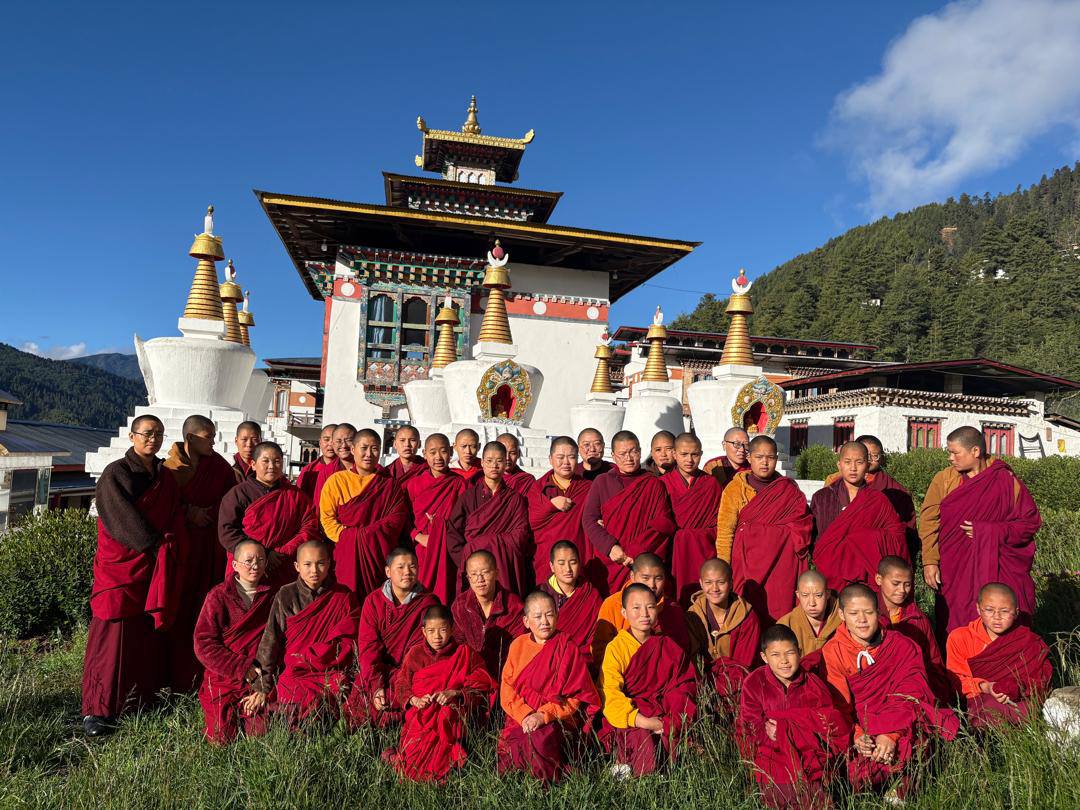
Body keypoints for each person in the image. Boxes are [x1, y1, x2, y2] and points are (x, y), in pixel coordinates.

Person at [81, 415, 185, 737]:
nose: (152, 439)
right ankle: (98, 709)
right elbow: (119, 519)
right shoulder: (116, 473)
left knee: (144, 636)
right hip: (122, 567)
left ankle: (139, 700)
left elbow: (173, 512)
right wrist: (153, 545)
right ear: (132, 436)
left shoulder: (164, 477)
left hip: (151, 566)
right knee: (111, 637)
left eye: (158, 434)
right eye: (146, 433)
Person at [821, 584, 959, 799]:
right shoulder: (833, 651)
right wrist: (858, 736)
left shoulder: (902, 646)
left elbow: (913, 697)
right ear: (841, 614)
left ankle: (904, 788)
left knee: (923, 744)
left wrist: (891, 734)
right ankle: (889, 780)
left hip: (900, 724)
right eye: (854, 613)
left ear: (878, 612)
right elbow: (839, 706)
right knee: (856, 777)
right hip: (862, 727)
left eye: (868, 612)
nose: (862, 620)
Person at [919, 426, 1041, 634]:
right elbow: (929, 521)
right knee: (957, 624)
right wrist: (930, 561)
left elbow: (1029, 523)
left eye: (955, 452)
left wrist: (990, 531)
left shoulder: (1005, 480)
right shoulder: (945, 479)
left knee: (1006, 621)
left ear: (975, 452)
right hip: (956, 569)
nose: (950, 458)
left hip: (998, 565)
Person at [162, 413, 237, 691]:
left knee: (204, 603)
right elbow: (161, 505)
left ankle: (200, 670)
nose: (214, 443)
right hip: (179, 545)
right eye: (209, 437)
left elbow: (231, 501)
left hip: (209, 545)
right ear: (191, 438)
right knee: (177, 604)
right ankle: (170, 670)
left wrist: (209, 514)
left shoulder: (218, 467)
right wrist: (188, 513)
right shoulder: (170, 468)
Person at [249, 539, 360, 725]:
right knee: (285, 696)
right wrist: (262, 686)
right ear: (297, 566)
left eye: (320, 563)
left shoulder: (344, 596)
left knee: (338, 689)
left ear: (329, 564)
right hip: (295, 671)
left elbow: (351, 641)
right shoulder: (286, 594)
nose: (314, 570)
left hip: (330, 670)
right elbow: (271, 641)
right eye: (307, 564)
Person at [736, 625, 847, 809]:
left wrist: (786, 727)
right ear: (764, 657)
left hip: (808, 757)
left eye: (790, 653)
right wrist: (775, 738)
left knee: (816, 802)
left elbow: (830, 722)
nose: (784, 661)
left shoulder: (813, 685)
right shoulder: (755, 683)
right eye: (776, 655)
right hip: (772, 756)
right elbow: (749, 726)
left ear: (800, 652)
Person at [497, 591, 601, 784]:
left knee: (541, 738)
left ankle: (545, 783)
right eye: (538, 616)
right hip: (521, 717)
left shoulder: (567, 647)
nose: (544, 621)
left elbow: (575, 697)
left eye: (550, 614)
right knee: (518, 741)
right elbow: (507, 687)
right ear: (526, 621)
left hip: (556, 718)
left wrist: (543, 715)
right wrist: (525, 714)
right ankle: (524, 780)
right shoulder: (518, 645)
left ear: (557, 616)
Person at [384, 605, 495, 783]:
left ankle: (449, 763)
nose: (437, 636)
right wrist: (414, 700)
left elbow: (483, 686)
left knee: (448, 714)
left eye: (443, 630)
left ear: (452, 629)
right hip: (420, 716)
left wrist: (456, 693)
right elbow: (402, 683)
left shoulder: (463, 653)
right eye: (432, 631)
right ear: (423, 632)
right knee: (410, 764)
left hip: (451, 716)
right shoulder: (415, 654)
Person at [598, 583, 698, 778]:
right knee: (642, 738)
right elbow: (610, 693)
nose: (644, 613)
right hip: (633, 713)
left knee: (673, 739)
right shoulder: (616, 648)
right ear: (624, 612)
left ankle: (670, 775)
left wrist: (670, 720)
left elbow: (685, 684)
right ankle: (645, 780)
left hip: (664, 713)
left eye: (650, 607)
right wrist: (643, 721)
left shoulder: (667, 644)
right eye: (636, 608)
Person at [716, 435, 812, 624]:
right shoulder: (735, 489)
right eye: (759, 457)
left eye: (770, 457)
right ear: (749, 458)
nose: (765, 462)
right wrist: (723, 568)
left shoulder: (789, 490)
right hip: (745, 564)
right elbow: (725, 532)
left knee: (780, 613)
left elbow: (804, 524)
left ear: (776, 459)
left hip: (781, 566)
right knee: (747, 613)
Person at [193, 539, 274, 744]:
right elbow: (203, 644)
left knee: (260, 732)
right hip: (225, 676)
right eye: (248, 561)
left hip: (259, 674)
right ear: (235, 565)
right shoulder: (219, 596)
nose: (255, 565)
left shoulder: (273, 596)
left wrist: (263, 685)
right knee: (221, 737)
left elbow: (279, 641)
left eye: (260, 560)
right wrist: (240, 667)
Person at [347, 547, 439, 728]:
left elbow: (423, 649)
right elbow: (368, 648)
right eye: (401, 567)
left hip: (410, 672)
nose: (407, 572)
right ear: (388, 571)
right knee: (362, 700)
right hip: (378, 670)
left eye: (412, 567)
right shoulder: (373, 601)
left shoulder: (428, 603)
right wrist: (376, 686)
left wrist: (404, 677)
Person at [581, 430, 676, 594]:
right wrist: (610, 547)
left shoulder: (653, 484)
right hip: (611, 561)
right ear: (613, 456)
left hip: (642, 561)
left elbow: (663, 523)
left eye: (633, 452)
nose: (629, 458)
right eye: (623, 453)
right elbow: (589, 520)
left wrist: (635, 551)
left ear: (640, 452)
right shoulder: (602, 482)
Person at [945, 582, 1051, 728]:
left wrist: (1017, 687)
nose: (997, 617)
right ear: (978, 609)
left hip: (1017, 697)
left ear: (1016, 612)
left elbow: (1042, 678)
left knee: (1030, 711)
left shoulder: (1026, 640)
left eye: (1005, 611)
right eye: (989, 610)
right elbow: (956, 679)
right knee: (987, 712)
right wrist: (985, 687)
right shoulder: (960, 637)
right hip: (978, 697)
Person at [217, 441, 319, 590]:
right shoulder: (238, 494)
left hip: (283, 563)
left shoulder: (295, 495)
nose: (272, 466)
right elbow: (227, 532)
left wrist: (283, 551)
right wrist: (262, 555)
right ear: (253, 464)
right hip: (248, 566)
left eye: (277, 461)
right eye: (265, 461)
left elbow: (310, 525)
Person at [319, 428, 408, 596]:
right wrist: (351, 538)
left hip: (377, 553)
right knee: (345, 599)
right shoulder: (336, 481)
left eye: (374, 448)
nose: (369, 454)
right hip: (345, 551)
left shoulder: (389, 485)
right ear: (353, 450)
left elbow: (396, 519)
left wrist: (365, 536)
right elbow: (327, 520)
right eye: (364, 448)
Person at [811, 440, 907, 594]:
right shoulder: (822, 498)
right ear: (839, 465)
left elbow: (897, 537)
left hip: (866, 576)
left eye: (859, 462)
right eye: (847, 462)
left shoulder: (878, 501)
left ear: (868, 466)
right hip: (830, 576)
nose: (853, 468)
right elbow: (815, 539)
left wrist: (864, 539)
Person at [446, 441, 532, 597]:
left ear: (505, 463)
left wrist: (481, 543)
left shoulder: (515, 499)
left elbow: (521, 534)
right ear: (483, 463)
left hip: (504, 567)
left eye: (499, 461)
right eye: (490, 461)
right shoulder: (468, 497)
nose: (494, 466)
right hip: (474, 569)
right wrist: (466, 562)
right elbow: (453, 534)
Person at [825, 435, 918, 561]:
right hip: (838, 552)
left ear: (881, 458)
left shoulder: (895, 490)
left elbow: (903, 528)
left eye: (874, 456)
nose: (869, 460)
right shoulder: (834, 482)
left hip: (876, 554)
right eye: (865, 455)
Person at [592, 553, 690, 668]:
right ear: (632, 576)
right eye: (645, 578)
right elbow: (599, 650)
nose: (652, 585)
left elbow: (681, 652)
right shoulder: (613, 604)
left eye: (658, 578)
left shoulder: (672, 609)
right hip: (621, 672)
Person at [875, 556, 951, 704]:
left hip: (913, 684)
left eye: (907, 585)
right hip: (878, 684)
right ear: (879, 579)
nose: (902, 591)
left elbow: (934, 660)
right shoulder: (868, 614)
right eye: (896, 583)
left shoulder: (916, 618)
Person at [527, 436, 600, 589]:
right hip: (546, 557)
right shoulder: (539, 488)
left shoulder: (588, 488)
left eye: (571, 457)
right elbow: (531, 522)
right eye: (560, 457)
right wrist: (550, 506)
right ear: (550, 459)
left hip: (578, 557)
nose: (566, 462)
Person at [403, 433, 467, 604]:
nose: (438, 457)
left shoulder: (459, 484)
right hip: (421, 548)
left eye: (443, 451)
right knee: (419, 593)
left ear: (451, 452)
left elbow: (464, 520)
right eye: (432, 452)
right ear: (424, 454)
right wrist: (418, 536)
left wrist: (441, 528)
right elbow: (405, 519)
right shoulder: (414, 484)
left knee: (445, 592)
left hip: (448, 547)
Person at [686, 558, 761, 703]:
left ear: (731, 583)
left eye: (721, 582)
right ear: (701, 583)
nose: (714, 588)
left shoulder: (747, 616)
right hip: (703, 682)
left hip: (736, 682)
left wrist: (721, 688)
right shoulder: (692, 615)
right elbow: (693, 659)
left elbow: (743, 665)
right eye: (708, 583)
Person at [664, 433, 725, 606]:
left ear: (701, 454)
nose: (689, 460)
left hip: (703, 551)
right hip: (673, 554)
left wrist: (698, 535)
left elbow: (719, 522)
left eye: (694, 454)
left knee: (704, 601)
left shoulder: (711, 484)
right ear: (674, 454)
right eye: (684, 454)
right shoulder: (663, 483)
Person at [451, 550, 527, 678]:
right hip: (471, 674)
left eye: (485, 573)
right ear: (468, 578)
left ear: (496, 573)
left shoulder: (514, 606)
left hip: (506, 673)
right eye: (474, 574)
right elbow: (459, 644)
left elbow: (519, 648)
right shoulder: (460, 605)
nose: (480, 579)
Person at [539, 541, 603, 663]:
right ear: (552, 566)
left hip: (582, 660)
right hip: (548, 659)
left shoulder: (590, 595)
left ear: (579, 564)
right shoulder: (541, 594)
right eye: (561, 563)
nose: (568, 569)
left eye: (573, 562)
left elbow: (598, 635)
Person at [776, 570, 843, 672]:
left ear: (828, 594)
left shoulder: (843, 618)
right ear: (798, 595)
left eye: (818, 595)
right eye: (805, 595)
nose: (812, 603)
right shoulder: (785, 625)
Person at [312, 423, 353, 508]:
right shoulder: (324, 472)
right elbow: (318, 506)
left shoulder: (369, 470)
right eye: (338, 441)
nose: (343, 445)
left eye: (348, 440)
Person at [295, 423, 339, 502]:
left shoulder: (347, 467)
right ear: (320, 442)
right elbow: (300, 498)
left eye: (335, 440)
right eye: (326, 439)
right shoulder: (309, 470)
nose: (330, 444)